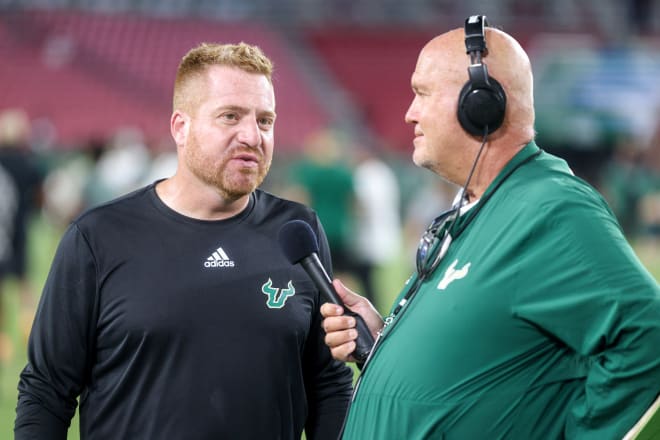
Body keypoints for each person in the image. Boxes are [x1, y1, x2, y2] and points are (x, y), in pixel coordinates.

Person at [320, 16, 660, 439]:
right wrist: (384, 342)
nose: (409, 114)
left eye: (422, 93)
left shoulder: (548, 207)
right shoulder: (484, 206)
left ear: (481, 102)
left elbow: (648, 334)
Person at [15, 42, 353, 439]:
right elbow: (46, 390)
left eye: (265, 121)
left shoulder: (298, 230)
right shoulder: (98, 237)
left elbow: (329, 383)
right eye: (230, 116)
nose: (251, 135)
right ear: (181, 126)